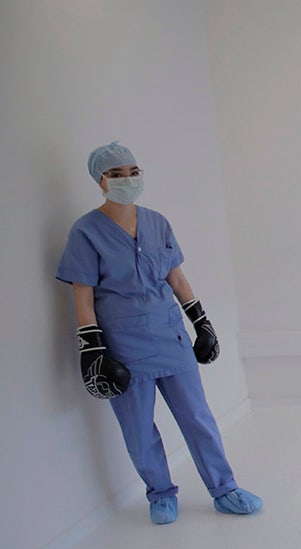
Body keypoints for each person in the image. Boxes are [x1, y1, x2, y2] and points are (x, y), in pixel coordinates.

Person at [56, 141, 262, 525]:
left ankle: (225, 488)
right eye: (117, 174)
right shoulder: (86, 232)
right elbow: (82, 295)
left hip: (171, 337)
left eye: (133, 172)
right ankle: (160, 494)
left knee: (197, 418)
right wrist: (91, 351)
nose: (127, 179)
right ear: (100, 181)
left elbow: (177, 277)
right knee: (138, 428)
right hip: (123, 346)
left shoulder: (157, 222)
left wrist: (201, 321)